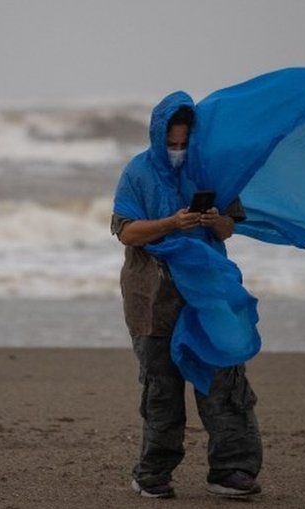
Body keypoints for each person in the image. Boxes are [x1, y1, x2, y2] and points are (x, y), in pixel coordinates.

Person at [111, 96, 263, 499]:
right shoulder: (137, 173)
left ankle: (231, 470)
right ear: (159, 136)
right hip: (152, 297)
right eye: (172, 145)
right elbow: (126, 232)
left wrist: (217, 221)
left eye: (184, 144)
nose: (178, 151)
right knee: (161, 392)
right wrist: (170, 223)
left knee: (224, 382)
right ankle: (153, 474)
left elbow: (230, 227)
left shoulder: (211, 169)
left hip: (208, 294)